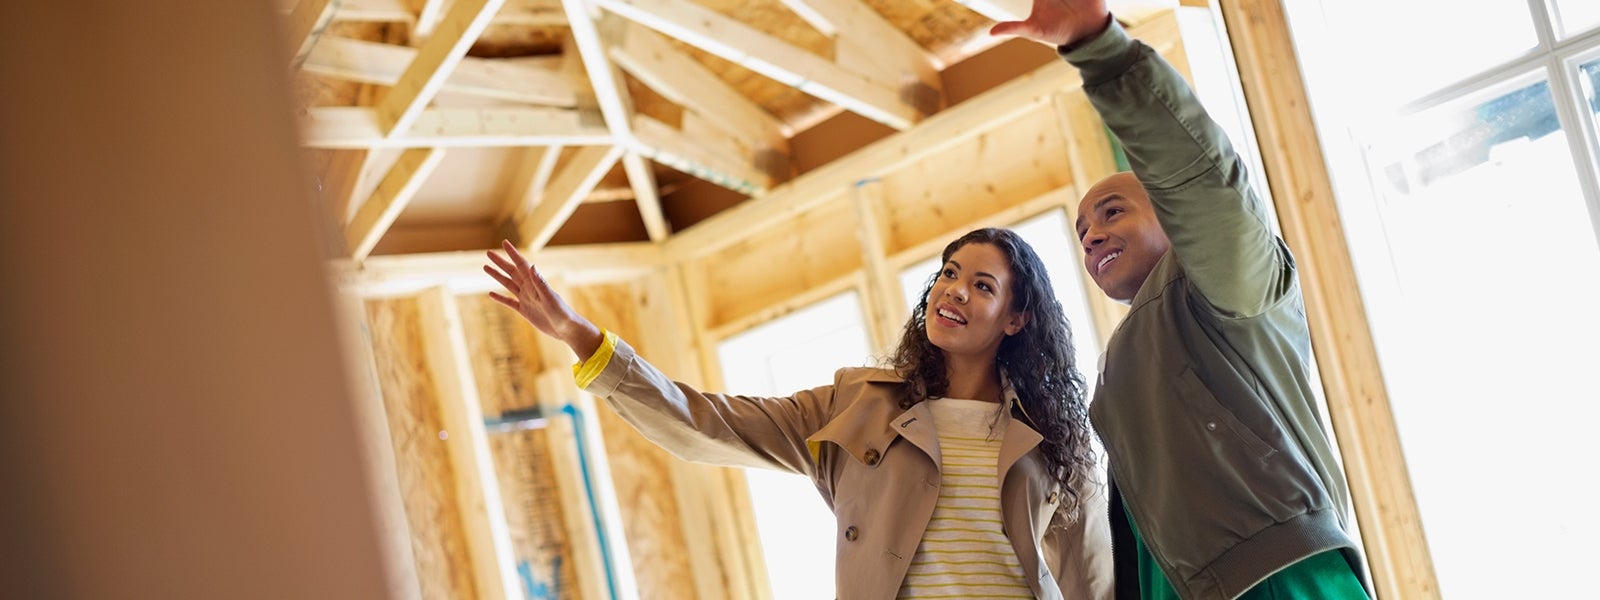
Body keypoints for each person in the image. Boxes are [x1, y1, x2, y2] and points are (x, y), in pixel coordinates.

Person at [483, 229, 1112, 599]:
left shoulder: (1050, 438)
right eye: (950, 273)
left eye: (982, 284)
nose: (954, 289)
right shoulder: (859, 406)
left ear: (1016, 319)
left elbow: (1090, 578)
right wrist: (582, 338)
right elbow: (708, 423)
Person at [990, 2, 1371, 599]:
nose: (1091, 235)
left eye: (1113, 210)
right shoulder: (1121, 363)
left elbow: (1196, 176)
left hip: (1273, 575)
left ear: (1173, 217)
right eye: (1082, 232)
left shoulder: (1227, 284)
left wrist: (1099, 47)